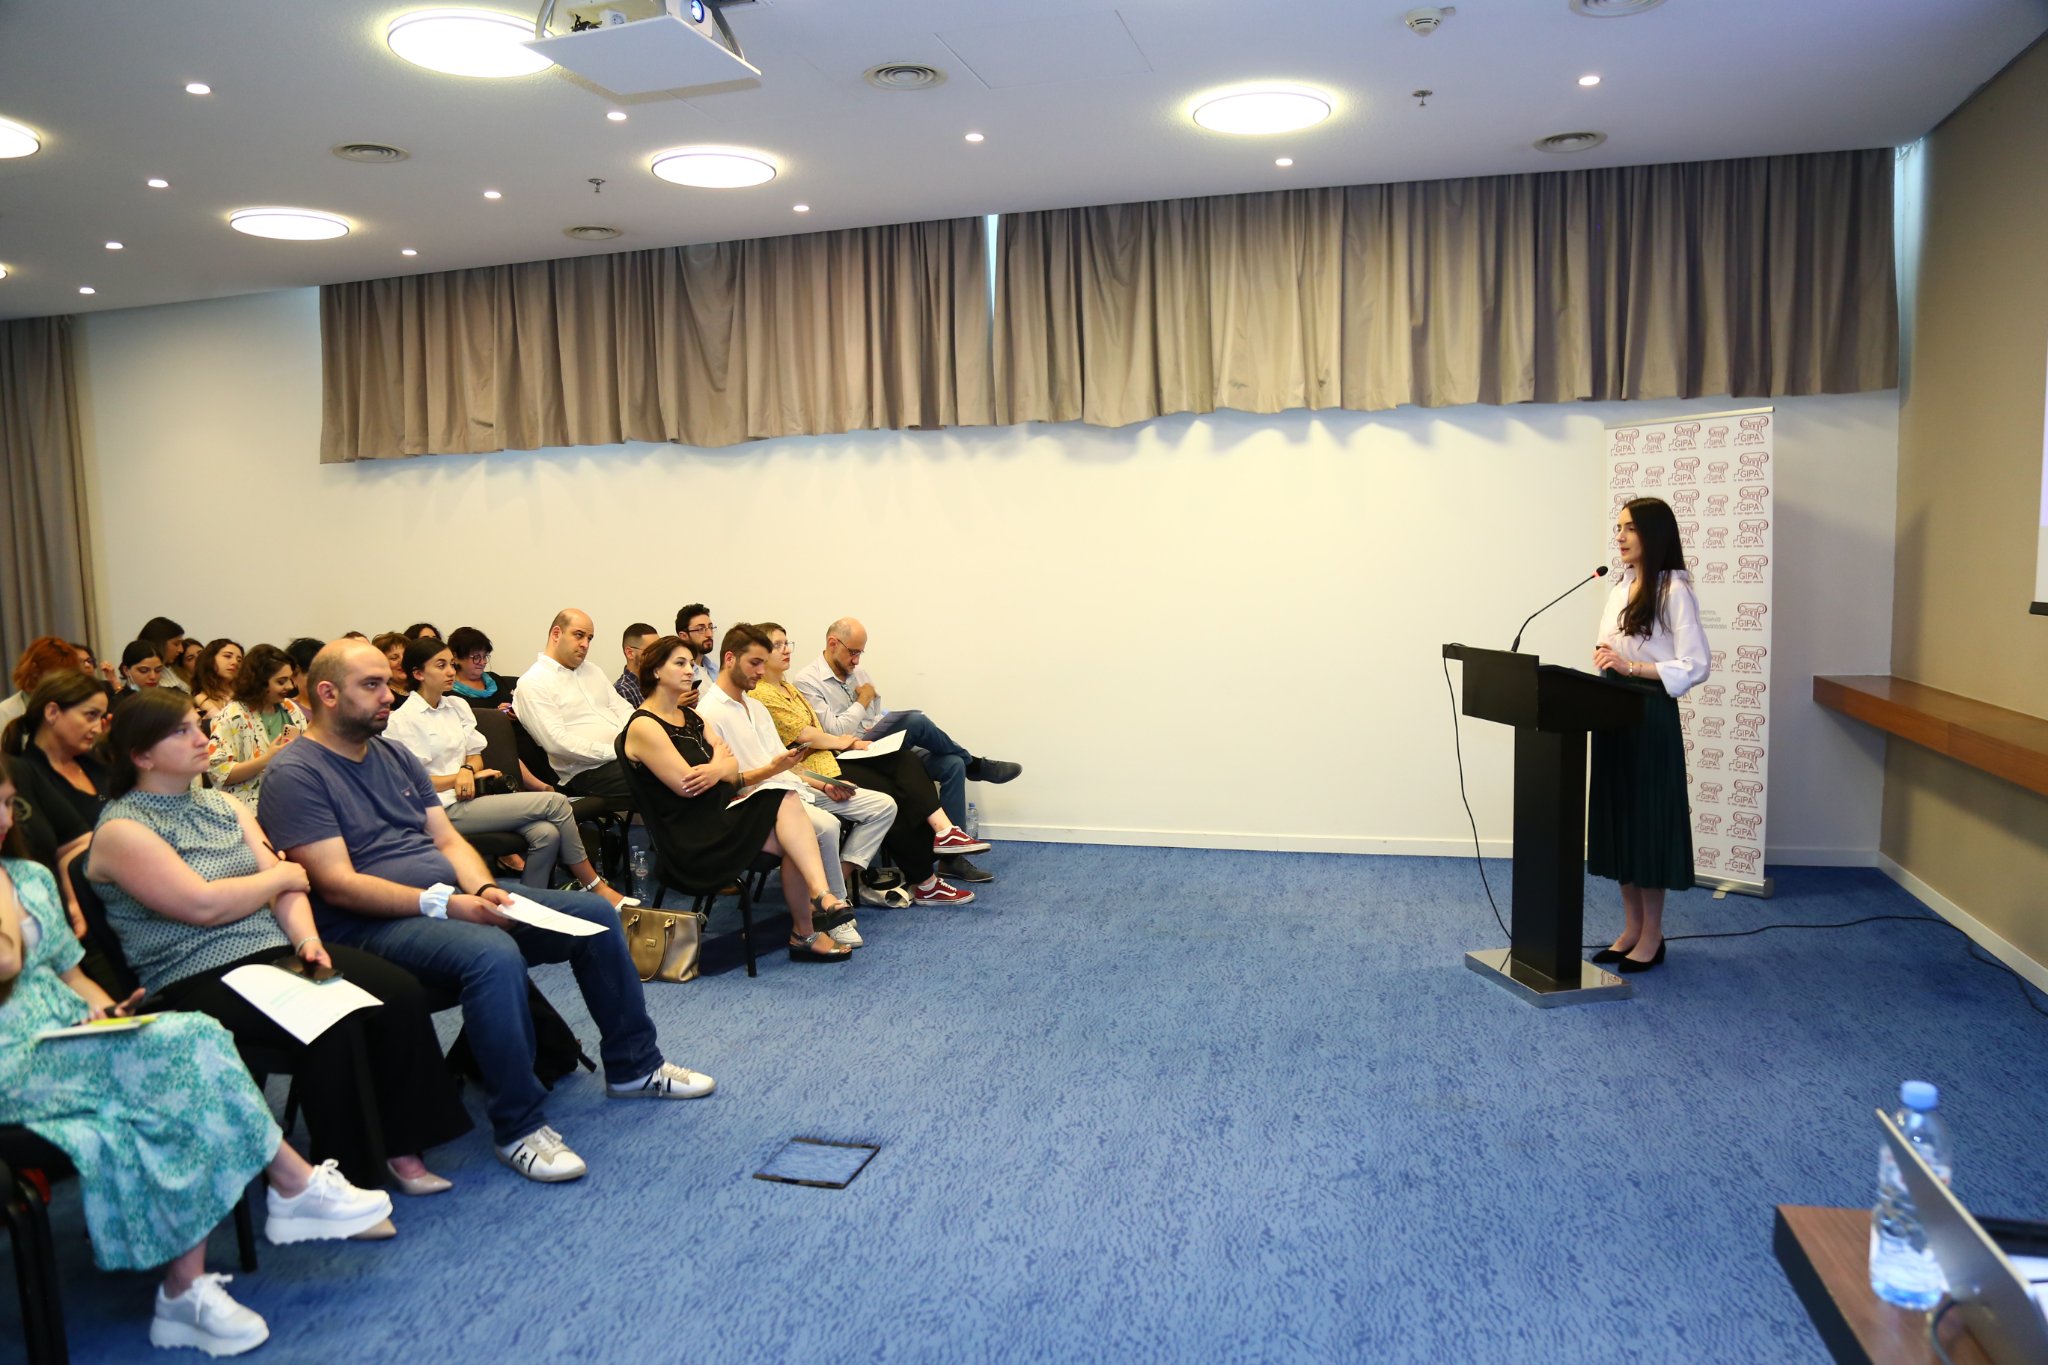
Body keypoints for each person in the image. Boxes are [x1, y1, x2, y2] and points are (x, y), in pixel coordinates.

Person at [258, 640, 713, 1184]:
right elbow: (338, 884)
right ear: (327, 694)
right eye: (371, 686)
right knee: (493, 955)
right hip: (370, 926)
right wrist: (448, 902)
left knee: (593, 918)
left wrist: (483, 886)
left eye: (386, 683)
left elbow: (447, 839)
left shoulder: (393, 755)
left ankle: (634, 1066)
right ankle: (518, 1125)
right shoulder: (297, 773)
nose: (387, 696)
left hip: (449, 898)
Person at [1, 751, 394, 1358]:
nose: (6, 820)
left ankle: (191, 1284)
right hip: (11, 1057)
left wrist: (107, 1010)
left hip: (63, 1037)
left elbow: (69, 973)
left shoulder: (27, 877)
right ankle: (289, 1188)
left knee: (193, 1040)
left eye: (8, 804)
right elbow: (6, 960)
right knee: (188, 1044)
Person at [88, 689, 473, 1193]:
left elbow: (291, 887)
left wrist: (307, 939)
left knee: (398, 991)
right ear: (141, 755)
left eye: (197, 726)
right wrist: (277, 878)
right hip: (195, 973)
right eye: (181, 731)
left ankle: (404, 1145)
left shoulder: (222, 803)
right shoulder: (122, 828)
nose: (202, 739)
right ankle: (349, 1177)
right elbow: (203, 905)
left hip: (274, 955)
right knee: (329, 1021)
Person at [618, 635, 857, 962]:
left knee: (791, 819)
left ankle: (809, 922)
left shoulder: (691, 717)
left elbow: (731, 769)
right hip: (690, 835)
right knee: (787, 810)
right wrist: (720, 765)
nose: (689, 670)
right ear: (656, 671)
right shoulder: (644, 725)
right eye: (680, 663)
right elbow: (688, 785)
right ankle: (816, 909)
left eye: (690, 663)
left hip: (719, 814)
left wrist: (717, 768)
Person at [386, 636, 632, 908]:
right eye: (440, 665)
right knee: (556, 802)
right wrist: (460, 777)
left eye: (451, 664)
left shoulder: (456, 706)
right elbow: (415, 782)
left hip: (472, 798)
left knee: (545, 834)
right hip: (439, 809)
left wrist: (467, 769)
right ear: (418, 673)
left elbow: (475, 755)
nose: (450, 672)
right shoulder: (401, 721)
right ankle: (595, 885)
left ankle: (527, 907)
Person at [752, 623, 981, 906]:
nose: (786, 650)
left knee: (910, 761)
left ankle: (939, 847)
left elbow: (861, 719)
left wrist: (857, 735)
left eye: (787, 643)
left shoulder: (788, 688)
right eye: (777, 645)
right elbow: (811, 734)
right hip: (817, 767)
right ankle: (928, 874)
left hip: (833, 755)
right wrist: (849, 739)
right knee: (906, 751)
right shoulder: (770, 691)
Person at [697, 624, 896, 939]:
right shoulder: (709, 712)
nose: (761, 671)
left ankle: (838, 879)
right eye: (755, 663)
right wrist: (781, 772)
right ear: (730, 659)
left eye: (763, 663)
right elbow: (733, 781)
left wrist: (822, 784)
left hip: (791, 787)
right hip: (760, 799)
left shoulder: (755, 707)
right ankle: (835, 909)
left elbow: (785, 764)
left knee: (883, 805)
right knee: (827, 826)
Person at [792, 616, 1020, 885]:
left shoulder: (859, 675)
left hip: (875, 748)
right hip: (845, 755)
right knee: (916, 722)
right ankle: (975, 765)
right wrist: (863, 700)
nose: (857, 661)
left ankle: (952, 858)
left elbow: (872, 718)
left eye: (860, 653)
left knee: (951, 764)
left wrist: (880, 720)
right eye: (853, 652)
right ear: (833, 644)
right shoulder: (807, 681)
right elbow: (834, 730)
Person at [1587, 496, 1710, 974]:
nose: (1619, 536)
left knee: (1647, 822)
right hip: (1613, 708)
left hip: (1649, 712)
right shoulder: (1620, 586)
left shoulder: (1672, 590)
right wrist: (1606, 658)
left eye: (1630, 528)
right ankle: (1631, 929)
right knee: (1622, 821)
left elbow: (1696, 663)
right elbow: (1612, 648)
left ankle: (1653, 936)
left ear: (1653, 535)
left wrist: (1633, 667)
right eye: (1618, 527)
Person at [1, 670, 112, 927]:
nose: (98, 727)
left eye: (101, 717)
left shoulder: (98, 763)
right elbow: (65, 851)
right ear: (52, 712)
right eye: (90, 715)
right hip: (81, 908)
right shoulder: (24, 774)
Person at [514, 608, 639, 807]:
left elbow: (623, 709)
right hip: (588, 771)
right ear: (556, 634)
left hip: (628, 755)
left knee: (683, 762)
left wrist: (641, 738)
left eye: (589, 638)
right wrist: (617, 751)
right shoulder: (533, 683)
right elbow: (557, 743)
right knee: (665, 778)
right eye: (579, 635)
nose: (585, 644)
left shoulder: (592, 670)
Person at [207, 643, 308, 809]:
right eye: (281, 681)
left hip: (293, 800)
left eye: (290, 679)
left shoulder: (291, 709)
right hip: (248, 809)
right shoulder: (232, 715)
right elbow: (218, 773)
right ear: (260, 682)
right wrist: (266, 760)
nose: (290, 687)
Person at [0, 635, 81, 731]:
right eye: (58, 676)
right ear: (35, 671)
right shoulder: (5, 713)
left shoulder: (74, 707)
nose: (64, 683)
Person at [448, 625, 518, 707]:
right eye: (476, 657)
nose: (483, 662)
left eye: (484, 656)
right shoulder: (448, 692)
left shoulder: (494, 678)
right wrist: (495, 713)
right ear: (455, 657)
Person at [191, 638, 244, 731]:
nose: (235, 662)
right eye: (227, 656)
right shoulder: (197, 699)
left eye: (239, 660)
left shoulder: (245, 694)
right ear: (210, 659)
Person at [673, 603, 717, 696]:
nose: (709, 634)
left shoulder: (714, 668)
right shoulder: (680, 673)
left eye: (710, 627)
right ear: (683, 636)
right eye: (701, 629)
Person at [137, 616, 190, 692]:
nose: (181, 650)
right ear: (159, 644)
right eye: (176, 644)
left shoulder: (175, 669)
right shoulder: (146, 681)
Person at [614, 621, 658, 707]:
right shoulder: (623, 690)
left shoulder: (657, 682)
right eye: (652, 650)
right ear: (630, 653)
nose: (658, 655)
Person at [373, 632, 412, 703]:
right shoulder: (380, 696)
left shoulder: (421, 689)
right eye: (394, 658)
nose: (402, 661)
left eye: (406, 655)